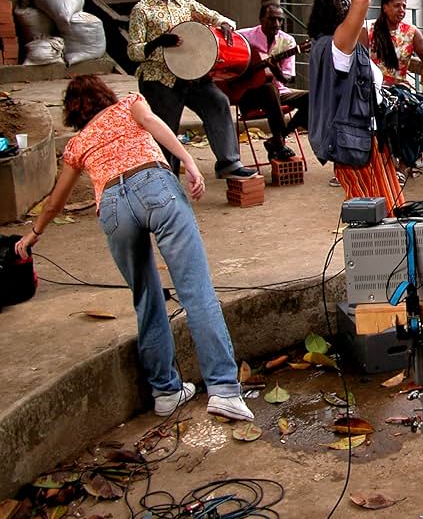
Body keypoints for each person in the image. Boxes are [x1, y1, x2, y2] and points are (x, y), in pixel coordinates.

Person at [14, 76, 253, 422]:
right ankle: (224, 391)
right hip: (154, 184)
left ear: (72, 111)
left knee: (146, 297)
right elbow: (156, 125)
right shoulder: (128, 104)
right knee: (196, 291)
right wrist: (187, 160)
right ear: (104, 95)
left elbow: (55, 201)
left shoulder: (78, 143)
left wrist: (33, 235)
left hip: (111, 205)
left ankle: (166, 392)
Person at [127, 0, 255, 179]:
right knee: (165, 128)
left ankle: (229, 164)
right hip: (160, 79)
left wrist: (225, 24)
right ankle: (167, 178)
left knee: (218, 102)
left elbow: (216, 16)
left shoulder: (184, 3)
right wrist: (158, 42)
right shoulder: (142, 10)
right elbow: (132, 51)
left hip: (193, 76)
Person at [307, 0, 404, 207]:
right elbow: (362, 1)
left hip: (367, 141)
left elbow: (357, 4)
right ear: (334, 12)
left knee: (386, 212)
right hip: (357, 146)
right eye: (343, 2)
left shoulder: (340, 44)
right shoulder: (336, 45)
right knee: (376, 217)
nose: (350, 5)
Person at [234, 2, 310, 161]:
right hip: (247, 94)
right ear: (261, 19)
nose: (276, 24)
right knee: (268, 88)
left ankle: (278, 138)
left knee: (313, 98)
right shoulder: (244, 36)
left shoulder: (287, 41)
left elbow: (288, 79)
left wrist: (276, 70)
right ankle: (280, 141)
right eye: (271, 19)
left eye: (279, 20)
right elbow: (227, 46)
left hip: (278, 93)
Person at [367, 0, 423, 89]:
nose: (401, 10)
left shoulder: (411, 32)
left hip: (399, 90)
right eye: (397, 6)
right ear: (385, 7)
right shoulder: (369, 30)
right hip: (373, 89)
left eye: (404, 6)